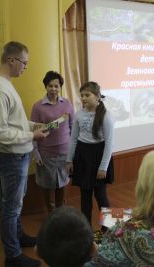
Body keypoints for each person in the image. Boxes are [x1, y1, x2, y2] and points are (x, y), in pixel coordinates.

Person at [0, 41, 48, 267]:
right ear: (11, 60)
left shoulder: (4, 83)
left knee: (16, 203)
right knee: (11, 207)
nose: (25, 68)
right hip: (11, 157)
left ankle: (19, 237)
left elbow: (14, 121)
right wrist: (32, 136)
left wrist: (32, 126)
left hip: (18, 155)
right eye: (24, 63)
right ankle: (12, 255)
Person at [66, 81, 114, 226]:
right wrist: (69, 160)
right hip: (82, 157)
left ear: (98, 96)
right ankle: (86, 229)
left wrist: (103, 167)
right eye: (82, 95)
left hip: (98, 157)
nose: (84, 98)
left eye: (87, 95)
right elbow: (73, 139)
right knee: (85, 196)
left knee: (101, 196)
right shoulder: (79, 115)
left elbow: (109, 144)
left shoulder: (105, 116)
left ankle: (108, 229)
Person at [31, 71, 74, 213]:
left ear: (60, 87)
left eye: (56, 86)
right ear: (46, 86)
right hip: (46, 154)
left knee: (62, 184)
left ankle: (60, 211)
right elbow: (34, 131)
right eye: (50, 86)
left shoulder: (67, 103)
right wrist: (36, 153)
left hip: (64, 152)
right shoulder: (38, 107)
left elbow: (73, 127)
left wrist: (73, 153)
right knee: (46, 184)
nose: (53, 89)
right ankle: (50, 211)